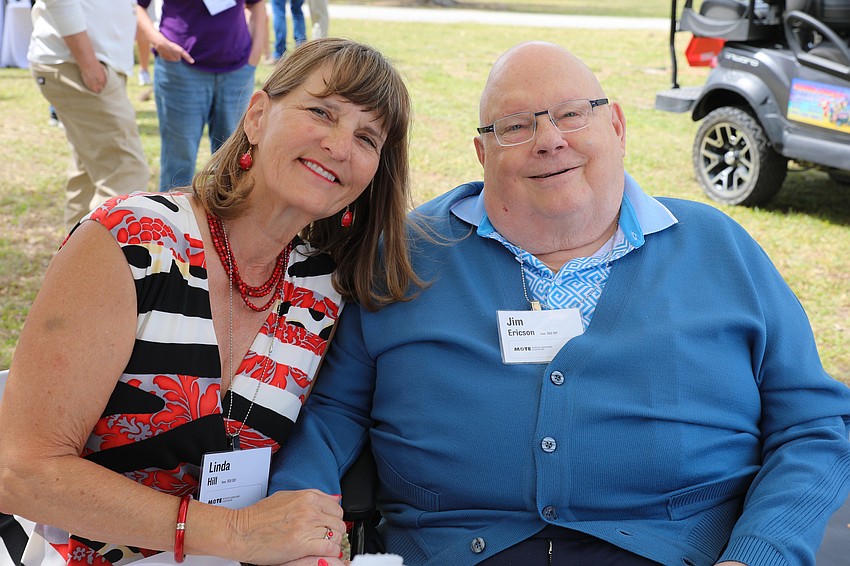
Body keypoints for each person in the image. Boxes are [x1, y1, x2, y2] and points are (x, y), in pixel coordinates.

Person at [268, 41, 850, 566]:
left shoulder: (718, 247)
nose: (550, 140)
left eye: (574, 114)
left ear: (618, 125)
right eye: (515, 125)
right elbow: (332, 415)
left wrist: (760, 553)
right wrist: (297, 528)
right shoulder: (407, 253)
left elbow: (815, 425)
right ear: (482, 150)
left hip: (685, 553)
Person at [0, 38, 417, 566]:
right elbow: (21, 471)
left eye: (367, 137)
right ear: (258, 115)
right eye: (321, 112)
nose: (339, 145)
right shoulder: (133, 242)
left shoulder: (324, 290)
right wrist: (235, 533)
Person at [28, 0, 150, 234]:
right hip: (80, 64)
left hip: (89, 63)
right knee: (125, 174)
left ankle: (73, 265)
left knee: (86, 174)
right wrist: (88, 64)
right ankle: (92, 265)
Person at [134, 0, 267, 192]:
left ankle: (225, 221)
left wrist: (254, 56)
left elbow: (257, 4)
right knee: (179, 163)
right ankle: (174, 221)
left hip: (236, 71)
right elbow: (138, 6)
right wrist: (159, 42)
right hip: (181, 70)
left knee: (234, 164)